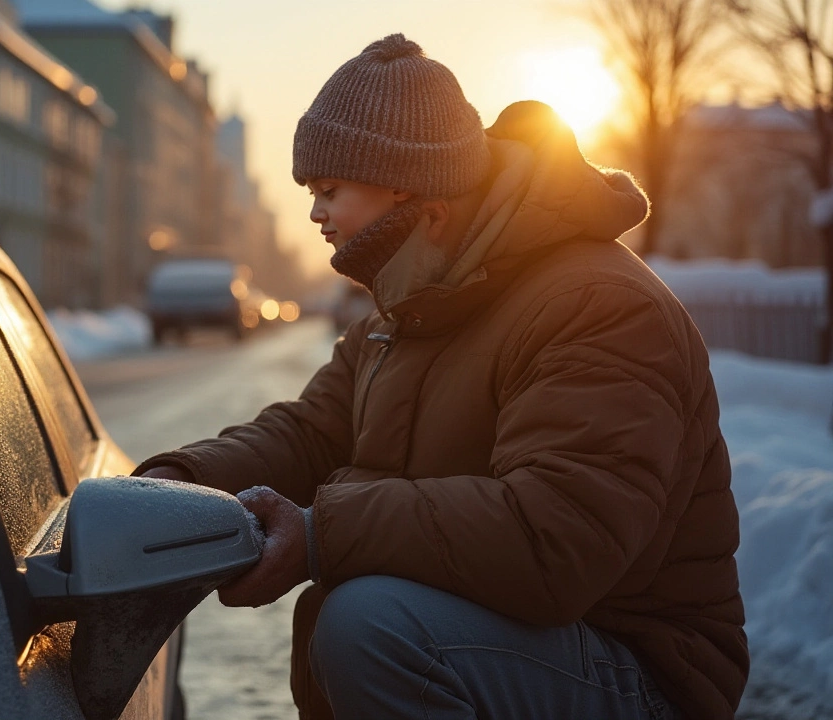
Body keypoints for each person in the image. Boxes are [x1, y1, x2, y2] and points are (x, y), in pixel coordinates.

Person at [136, 34, 748, 720]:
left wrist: (319, 535)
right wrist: (175, 487)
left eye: (330, 190)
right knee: (369, 620)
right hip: (529, 646)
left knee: (373, 627)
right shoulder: (415, 301)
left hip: (641, 670)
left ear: (413, 194)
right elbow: (312, 435)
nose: (315, 214)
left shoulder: (596, 307)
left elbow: (557, 539)